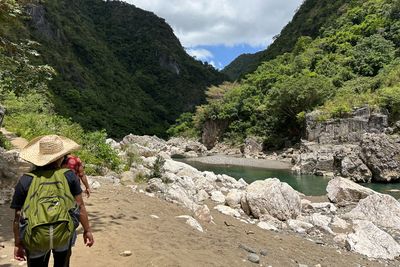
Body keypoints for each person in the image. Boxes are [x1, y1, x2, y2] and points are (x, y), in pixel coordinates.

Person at [10, 135, 94, 266]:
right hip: (63, 234)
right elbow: (80, 206)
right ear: (60, 157)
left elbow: (18, 215)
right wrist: (87, 230)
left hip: (35, 236)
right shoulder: (69, 176)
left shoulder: (26, 180)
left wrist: (18, 243)